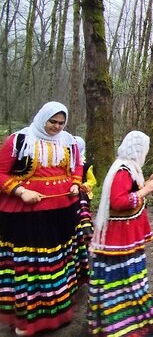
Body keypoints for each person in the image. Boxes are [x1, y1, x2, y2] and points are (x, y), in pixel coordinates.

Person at [0, 102, 87, 336]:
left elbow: (77, 167)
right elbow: (0, 172)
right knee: (33, 266)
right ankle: (27, 319)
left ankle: (58, 313)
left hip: (62, 212)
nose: (56, 127)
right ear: (42, 118)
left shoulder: (69, 141)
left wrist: (76, 185)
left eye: (61, 123)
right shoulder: (19, 141)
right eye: (52, 122)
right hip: (28, 216)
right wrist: (20, 191)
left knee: (58, 262)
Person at [88, 131, 153, 337]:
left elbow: (131, 191)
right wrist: (144, 192)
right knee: (126, 278)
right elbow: (119, 201)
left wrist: (146, 184)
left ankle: (134, 318)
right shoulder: (123, 170)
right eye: (144, 149)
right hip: (120, 239)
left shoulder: (130, 168)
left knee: (130, 277)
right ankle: (125, 325)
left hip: (126, 236)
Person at [74, 136, 97, 243]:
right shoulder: (65, 163)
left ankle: (87, 232)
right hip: (71, 194)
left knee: (84, 212)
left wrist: (85, 185)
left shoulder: (85, 165)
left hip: (83, 194)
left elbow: (92, 180)